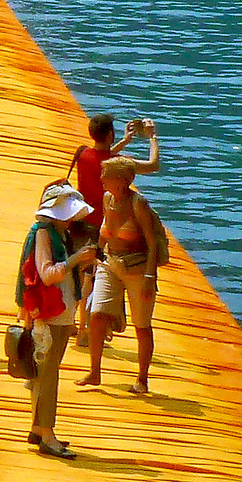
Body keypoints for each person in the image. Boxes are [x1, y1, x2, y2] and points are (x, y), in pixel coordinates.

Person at [20, 183, 96, 456]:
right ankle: (47, 434)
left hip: (59, 315)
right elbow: (48, 273)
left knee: (44, 374)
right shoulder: (44, 235)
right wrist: (76, 260)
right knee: (47, 376)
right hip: (50, 316)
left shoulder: (57, 235)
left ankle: (39, 429)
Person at [88, 155, 172, 394]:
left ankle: (142, 380)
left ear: (123, 180)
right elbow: (105, 232)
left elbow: (152, 243)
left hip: (137, 269)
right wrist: (93, 255)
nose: (102, 178)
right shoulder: (107, 199)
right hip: (110, 263)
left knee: (142, 325)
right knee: (97, 315)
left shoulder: (138, 204)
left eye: (107, 175)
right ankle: (95, 372)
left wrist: (149, 277)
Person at [68, 114, 157, 219]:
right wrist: (152, 136)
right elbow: (153, 165)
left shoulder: (82, 153)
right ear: (110, 134)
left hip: (83, 216)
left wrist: (124, 141)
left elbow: (102, 155)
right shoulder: (120, 164)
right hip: (105, 222)